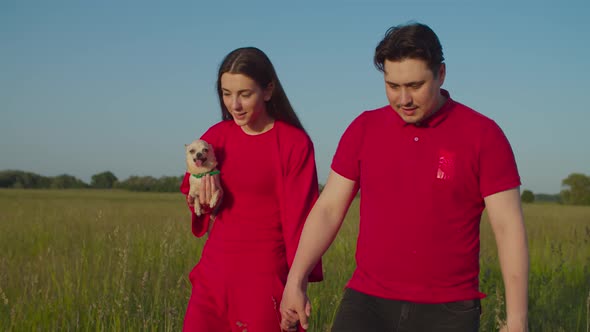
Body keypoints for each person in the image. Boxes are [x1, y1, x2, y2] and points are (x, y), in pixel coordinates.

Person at [280, 23, 529, 332]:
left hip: (449, 310)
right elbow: (329, 208)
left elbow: (508, 228)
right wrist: (296, 278)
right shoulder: (364, 128)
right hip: (366, 303)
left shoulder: (483, 135)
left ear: (441, 74)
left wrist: (517, 319)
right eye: (392, 86)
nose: (403, 99)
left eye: (415, 85)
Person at [180, 46, 323, 332]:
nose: (234, 105)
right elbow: (194, 191)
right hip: (214, 272)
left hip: (265, 274)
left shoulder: (293, 144)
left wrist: (297, 285)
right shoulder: (215, 138)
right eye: (226, 93)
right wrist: (205, 203)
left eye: (245, 94)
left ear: (268, 90)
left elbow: (302, 222)